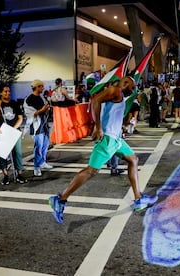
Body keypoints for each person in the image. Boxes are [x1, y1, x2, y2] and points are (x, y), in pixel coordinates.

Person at [48, 76, 158, 224]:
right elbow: (95, 101)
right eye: (131, 87)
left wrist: (121, 127)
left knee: (133, 159)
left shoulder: (118, 94)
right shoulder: (115, 90)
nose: (132, 90)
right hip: (107, 139)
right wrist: (98, 127)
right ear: (125, 83)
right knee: (91, 170)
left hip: (116, 139)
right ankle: (60, 199)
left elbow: (108, 111)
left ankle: (138, 198)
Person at [0, 84, 28, 185]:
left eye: (9, 91)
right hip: (2, 132)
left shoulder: (14, 103)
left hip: (14, 131)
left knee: (17, 153)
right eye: (5, 91)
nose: (8, 93)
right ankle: (5, 176)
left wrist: (12, 129)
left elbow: (20, 118)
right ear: (0, 93)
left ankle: (19, 174)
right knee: (2, 154)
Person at [23, 79, 53, 177]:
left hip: (44, 123)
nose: (43, 88)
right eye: (41, 86)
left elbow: (44, 108)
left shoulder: (41, 97)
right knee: (38, 146)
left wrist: (46, 108)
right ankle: (36, 167)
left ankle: (42, 162)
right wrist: (42, 110)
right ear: (37, 87)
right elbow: (29, 113)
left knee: (45, 144)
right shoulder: (29, 99)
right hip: (36, 125)